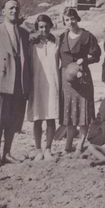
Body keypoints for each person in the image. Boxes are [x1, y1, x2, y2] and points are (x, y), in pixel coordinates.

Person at [0, 0, 32, 167]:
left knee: (13, 120)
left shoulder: (24, 33)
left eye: (17, 8)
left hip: (18, 83)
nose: (14, 11)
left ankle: (7, 153)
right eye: (11, 8)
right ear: (3, 11)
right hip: (0, 83)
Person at [58, 7, 101, 155]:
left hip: (82, 78)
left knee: (83, 112)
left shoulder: (87, 36)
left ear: (77, 19)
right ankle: (68, 144)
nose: (70, 22)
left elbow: (96, 54)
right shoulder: (62, 37)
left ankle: (80, 145)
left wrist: (85, 59)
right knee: (69, 113)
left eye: (73, 18)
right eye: (67, 20)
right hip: (67, 81)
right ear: (64, 22)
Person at [27, 14, 60, 161]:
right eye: (40, 27)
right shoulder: (31, 43)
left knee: (51, 117)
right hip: (37, 83)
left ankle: (48, 149)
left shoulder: (57, 42)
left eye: (46, 26)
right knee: (37, 118)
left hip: (53, 83)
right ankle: (38, 148)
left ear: (50, 26)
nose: (43, 29)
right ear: (37, 28)